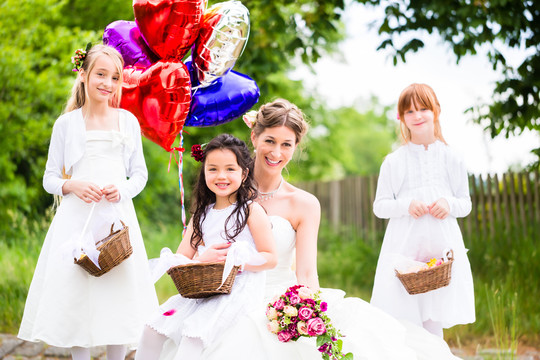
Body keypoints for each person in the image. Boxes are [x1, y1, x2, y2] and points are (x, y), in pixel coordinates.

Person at [199, 98, 462, 359]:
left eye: (286, 144)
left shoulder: (303, 204)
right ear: (254, 137)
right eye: (270, 141)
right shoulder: (222, 187)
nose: (276, 153)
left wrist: (310, 316)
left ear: (296, 147)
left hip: (277, 300)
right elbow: (200, 239)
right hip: (224, 297)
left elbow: (306, 271)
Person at [18, 44, 159, 359]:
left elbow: (139, 176)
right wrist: (73, 185)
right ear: (83, 75)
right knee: (79, 295)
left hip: (115, 218)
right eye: (100, 74)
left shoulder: (127, 121)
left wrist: (121, 189)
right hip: (76, 222)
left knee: (118, 295)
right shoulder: (66, 124)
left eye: (114, 77)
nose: (107, 83)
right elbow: (50, 178)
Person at [135, 134, 277, 360]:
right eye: (213, 169)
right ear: (204, 173)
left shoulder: (251, 210)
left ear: (244, 173)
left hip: (238, 289)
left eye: (230, 169)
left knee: (194, 333)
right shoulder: (201, 215)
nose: (221, 176)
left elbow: (270, 258)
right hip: (204, 288)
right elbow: (181, 258)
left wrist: (237, 261)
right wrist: (202, 260)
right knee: (153, 327)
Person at [371, 83, 475, 337]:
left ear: (436, 111)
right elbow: (380, 206)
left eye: (423, 109)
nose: (417, 116)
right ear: (402, 117)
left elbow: (465, 203)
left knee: (433, 315)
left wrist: (448, 204)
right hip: (405, 246)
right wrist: (405, 206)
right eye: (409, 111)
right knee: (405, 317)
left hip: (440, 247)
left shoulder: (452, 157)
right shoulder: (394, 161)